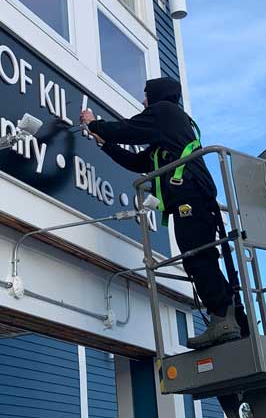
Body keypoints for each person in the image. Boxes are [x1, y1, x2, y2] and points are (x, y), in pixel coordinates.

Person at [81, 77, 240, 348]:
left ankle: (224, 320)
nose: (144, 101)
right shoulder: (170, 129)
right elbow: (137, 162)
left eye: (146, 95)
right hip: (193, 199)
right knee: (197, 256)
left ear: (158, 95)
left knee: (198, 256)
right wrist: (104, 143)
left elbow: (127, 130)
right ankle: (226, 318)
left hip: (191, 197)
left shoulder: (164, 111)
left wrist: (94, 123)